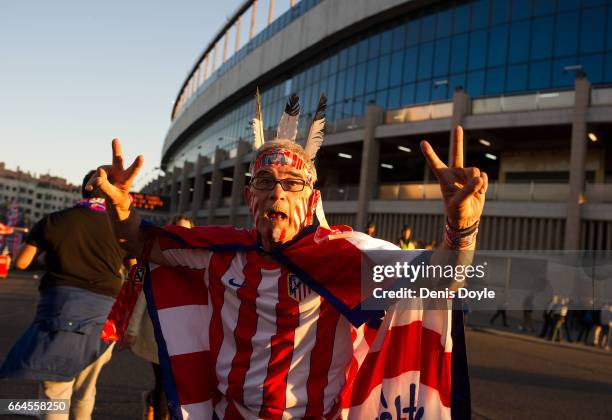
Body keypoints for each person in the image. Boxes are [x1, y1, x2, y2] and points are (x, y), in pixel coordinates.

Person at [88, 94, 487, 418]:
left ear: (312, 200)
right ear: (249, 197)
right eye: (265, 181)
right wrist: (120, 208)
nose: (278, 193)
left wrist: (461, 229)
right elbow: (138, 243)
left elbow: (440, 281)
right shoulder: (221, 251)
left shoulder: (343, 256)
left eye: (292, 184)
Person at [0, 171, 128, 420]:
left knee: (56, 394)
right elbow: (135, 267)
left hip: (61, 314)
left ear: (84, 190)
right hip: (106, 319)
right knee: (86, 390)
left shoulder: (55, 221)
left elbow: (23, 262)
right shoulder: (121, 229)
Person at [126, 215, 193, 420]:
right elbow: (142, 298)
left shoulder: (197, 258)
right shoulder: (154, 257)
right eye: (176, 229)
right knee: (165, 383)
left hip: (185, 336)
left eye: (185, 230)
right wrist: (131, 330)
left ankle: (152, 401)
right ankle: (158, 408)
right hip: (158, 333)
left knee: (172, 384)